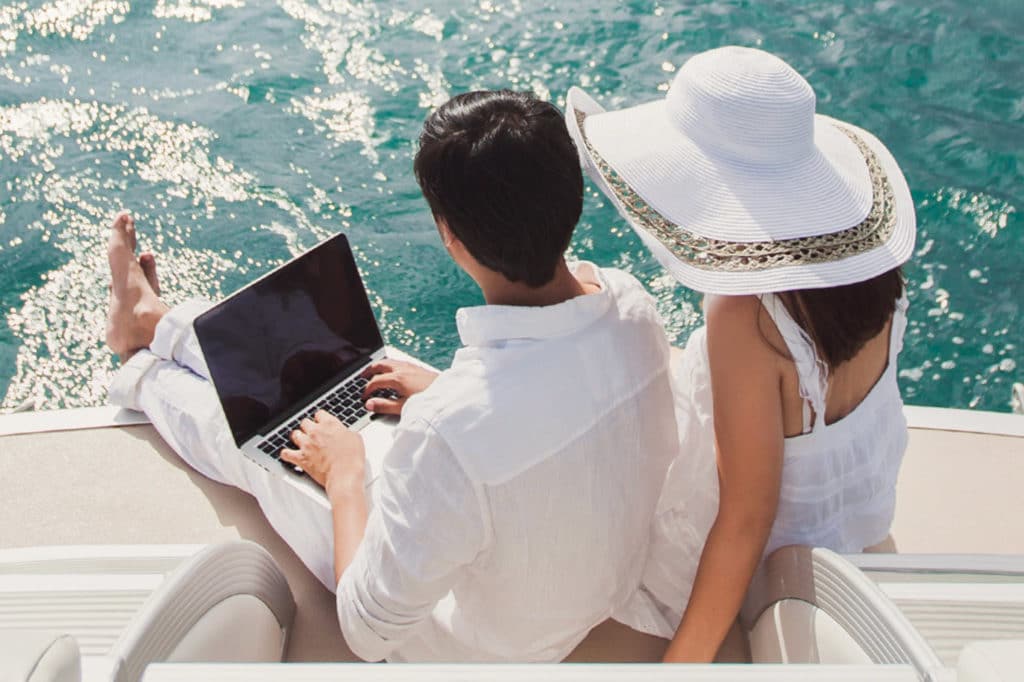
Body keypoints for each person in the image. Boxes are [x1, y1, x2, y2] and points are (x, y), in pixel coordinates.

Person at [105, 89, 682, 662]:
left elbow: (366, 628)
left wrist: (345, 475)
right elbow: (551, 402)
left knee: (257, 440)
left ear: (448, 233)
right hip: (578, 583)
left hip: (484, 649)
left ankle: (142, 362)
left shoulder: (449, 433)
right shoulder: (631, 307)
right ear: (573, 197)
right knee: (349, 386)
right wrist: (444, 393)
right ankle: (161, 323)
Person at [564, 46, 916, 660]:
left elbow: (746, 520)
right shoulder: (873, 275)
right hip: (852, 529)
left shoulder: (748, 317)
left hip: (773, 572)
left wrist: (680, 669)